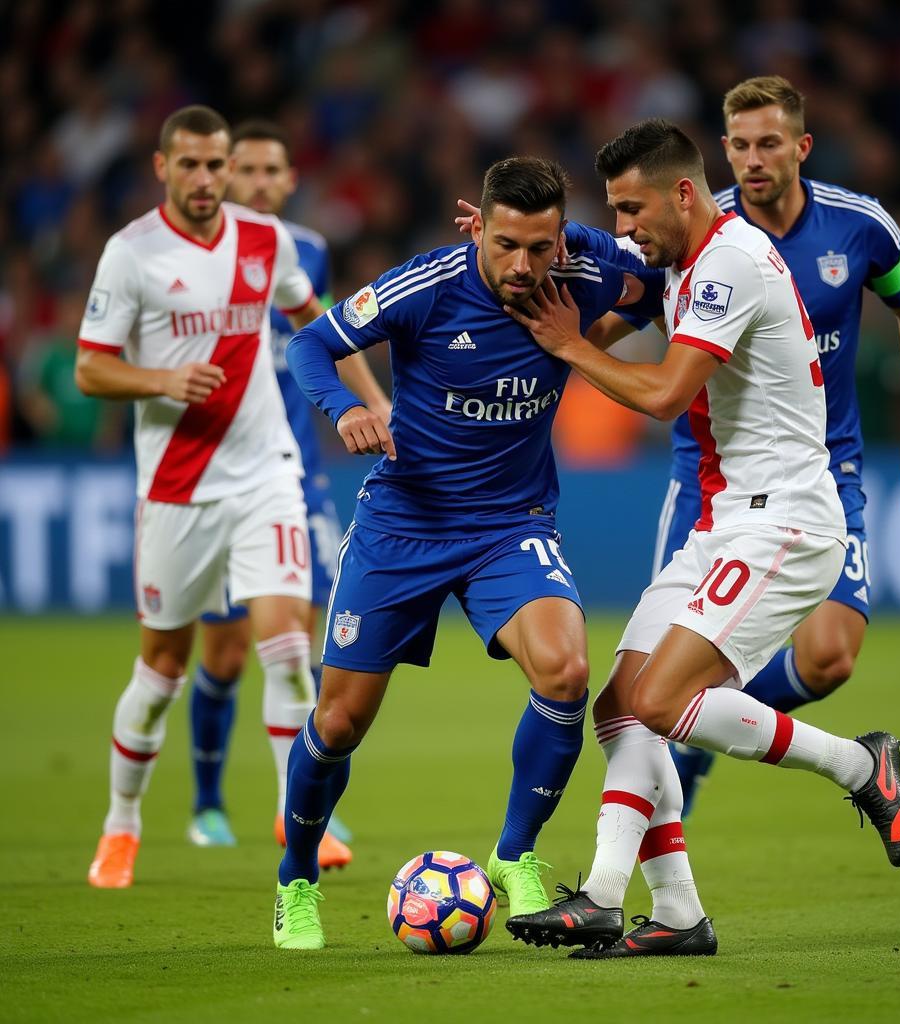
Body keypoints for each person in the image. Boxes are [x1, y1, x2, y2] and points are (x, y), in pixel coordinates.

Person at [501, 119, 900, 958]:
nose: (625, 231)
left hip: (787, 522)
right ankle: (679, 916)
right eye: (614, 212)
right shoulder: (691, 259)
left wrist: (572, 345)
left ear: (681, 193)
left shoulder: (727, 262)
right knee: (620, 710)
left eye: (632, 210)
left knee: (661, 702)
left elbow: (662, 396)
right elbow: (609, 254)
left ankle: (857, 766)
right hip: (727, 521)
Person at [271, 156, 656, 950]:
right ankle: (297, 880)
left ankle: (514, 855)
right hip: (402, 526)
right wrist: (343, 407)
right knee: (338, 722)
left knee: (568, 672)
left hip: (509, 525)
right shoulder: (427, 284)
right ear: (476, 226)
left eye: (540, 247)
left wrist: (582, 332)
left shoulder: (580, 266)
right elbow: (310, 345)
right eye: (506, 244)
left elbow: (651, 283)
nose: (523, 266)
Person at [78, 105, 350, 889]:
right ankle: (121, 825)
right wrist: (160, 379)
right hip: (176, 489)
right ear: (163, 167)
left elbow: (316, 321)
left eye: (216, 164)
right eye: (189, 164)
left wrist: (363, 395)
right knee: (162, 670)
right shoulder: (130, 254)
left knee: (290, 650)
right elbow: (92, 367)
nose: (205, 179)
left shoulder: (268, 241)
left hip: (267, 473)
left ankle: (298, 824)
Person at [185, 119, 389, 860]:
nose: (263, 183)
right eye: (250, 171)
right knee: (226, 653)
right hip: (217, 475)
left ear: (290, 179)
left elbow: (331, 334)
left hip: (295, 475)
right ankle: (207, 803)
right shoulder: (199, 256)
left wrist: (375, 404)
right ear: (228, 176)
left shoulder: (304, 250)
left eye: (276, 171)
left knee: (304, 640)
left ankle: (301, 808)